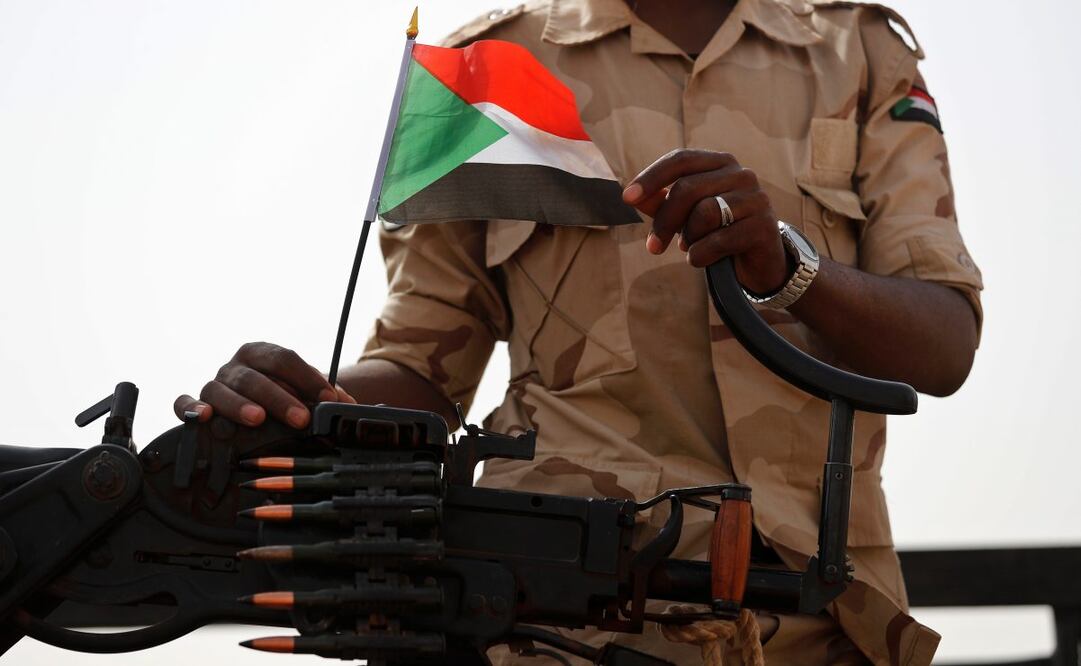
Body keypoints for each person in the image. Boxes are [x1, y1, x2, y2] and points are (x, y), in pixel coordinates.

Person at [175, 0, 983, 663]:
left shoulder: (856, 51)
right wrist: (301, 403)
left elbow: (942, 345)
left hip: (819, 618)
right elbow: (422, 372)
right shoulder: (488, 70)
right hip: (558, 617)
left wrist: (787, 268)